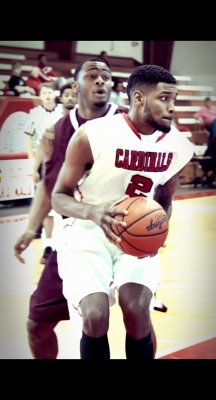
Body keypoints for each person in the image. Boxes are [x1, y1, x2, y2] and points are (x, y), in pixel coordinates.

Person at [51, 64, 195, 360]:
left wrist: (159, 227)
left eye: (174, 100)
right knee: (94, 316)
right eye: (164, 98)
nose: (171, 108)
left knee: (138, 311)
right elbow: (58, 197)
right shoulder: (93, 134)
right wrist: (93, 212)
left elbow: (165, 198)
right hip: (89, 232)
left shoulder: (178, 145)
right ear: (139, 98)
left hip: (136, 239)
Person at [13, 57, 130, 359]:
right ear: (75, 85)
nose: (101, 81)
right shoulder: (56, 131)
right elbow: (48, 185)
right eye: (92, 75)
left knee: (137, 318)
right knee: (36, 324)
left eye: (106, 76)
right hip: (74, 235)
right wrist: (30, 228)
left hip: (124, 233)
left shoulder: (129, 121)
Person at [32, 83, 77, 263]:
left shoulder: (86, 121)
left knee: (72, 215)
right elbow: (43, 148)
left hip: (76, 175)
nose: (69, 98)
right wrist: (35, 169)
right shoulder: (53, 122)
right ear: (61, 97)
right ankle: (48, 247)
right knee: (49, 213)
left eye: (73, 95)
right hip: (54, 171)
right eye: (66, 95)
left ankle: (70, 247)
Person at [23, 82, 63, 262]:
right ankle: (48, 246)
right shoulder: (34, 114)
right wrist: (33, 163)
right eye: (43, 92)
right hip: (44, 161)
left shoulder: (63, 110)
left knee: (64, 205)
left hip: (64, 160)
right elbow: (29, 137)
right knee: (46, 204)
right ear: (40, 95)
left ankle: (60, 244)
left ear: (54, 94)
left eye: (49, 92)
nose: (47, 95)